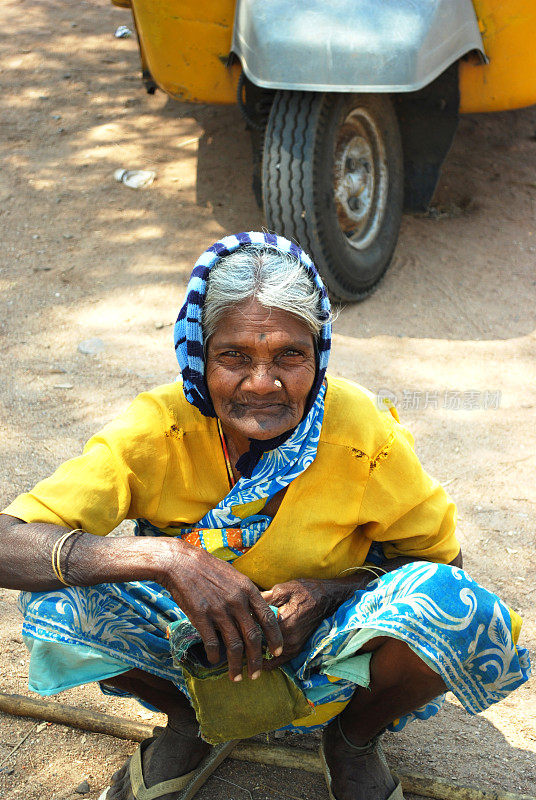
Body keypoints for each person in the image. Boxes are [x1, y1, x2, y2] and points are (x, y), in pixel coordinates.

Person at [0, 231, 529, 800]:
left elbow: (435, 558)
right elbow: (9, 541)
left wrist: (326, 594)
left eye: (289, 355)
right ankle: (192, 721)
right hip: (189, 640)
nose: (262, 383)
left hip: (327, 641)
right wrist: (168, 560)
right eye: (233, 357)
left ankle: (352, 739)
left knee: (456, 606)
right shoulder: (159, 427)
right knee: (55, 594)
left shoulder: (359, 431)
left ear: (318, 353)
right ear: (200, 357)